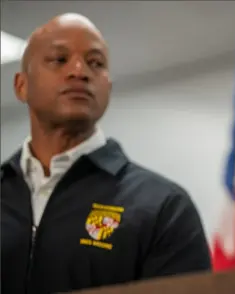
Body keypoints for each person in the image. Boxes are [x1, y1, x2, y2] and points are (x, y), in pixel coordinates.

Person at [1, 13, 211, 294]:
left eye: (95, 63)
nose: (79, 71)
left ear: (107, 88)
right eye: (59, 59)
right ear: (21, 85)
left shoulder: (163, 207)